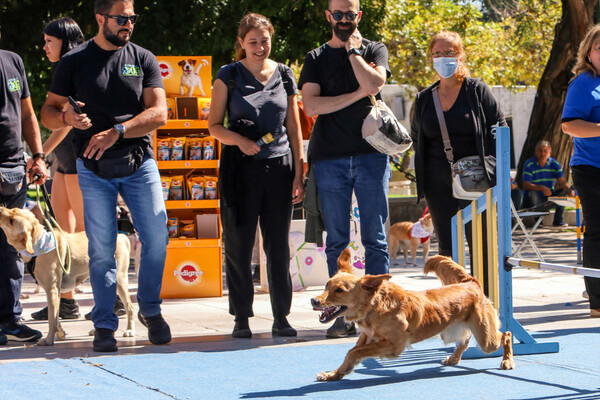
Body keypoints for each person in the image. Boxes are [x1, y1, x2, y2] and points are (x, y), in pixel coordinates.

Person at [41, 0, 171, 351]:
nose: (128, 24)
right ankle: (104, 324)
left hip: (138, 161)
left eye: (132, 18)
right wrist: (67, 118)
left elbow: (160, 112)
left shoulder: (142, 58)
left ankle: (151, 310)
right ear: (101, 19)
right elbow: (48, 112)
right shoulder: (74, 61)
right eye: (121, 18)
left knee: (157, 236)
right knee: (100, 249)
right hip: (93, 168)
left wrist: (118, 130)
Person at [208, 12, 305, 339]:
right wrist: (239, 141)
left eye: (265, 41)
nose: (260, 47)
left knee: (278, 246)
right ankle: (241, 318)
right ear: (241, 43)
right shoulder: (228, 75)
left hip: (279, 167)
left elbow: (293, 126)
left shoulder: (285, 74)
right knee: (239, 244)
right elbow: (214, 126)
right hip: (240, 169)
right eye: (253, 42)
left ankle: (282, 317)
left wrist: (298, 172)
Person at [298, 0, 391, 338]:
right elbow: (310, 106)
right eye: (337, 14)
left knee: (375, 239)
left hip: (372, 156)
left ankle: (380, 311)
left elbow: (375, 84)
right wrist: (357, 93)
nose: (343, 20)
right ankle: (341, 313)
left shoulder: (374, 49)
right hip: (330, 158)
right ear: (328, 16)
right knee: (336, 240)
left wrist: (354, 55)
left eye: (350, 15)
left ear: (358, 16)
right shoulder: (315, 58)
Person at [410, 31, 506, 293]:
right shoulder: (423, 99)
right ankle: (452, 308)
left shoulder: (477, 92)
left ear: (461, 56)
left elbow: (500, 130)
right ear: (431, 57)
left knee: (481, 248)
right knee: (447, 251)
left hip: (476, 183)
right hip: (437, 186)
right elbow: (417, 137)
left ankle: (486, 305)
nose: (443, 58)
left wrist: (496, 171)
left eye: (450, 53)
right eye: (438, 53)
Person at [29, 17, 85, 322]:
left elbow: (66, 122)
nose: (45, 46)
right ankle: (67, 302)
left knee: (88, 234)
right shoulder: (61, 70)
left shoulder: (75, 68)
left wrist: (39, 154)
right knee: (62, 233)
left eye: (49, 41)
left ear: (64, 41)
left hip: (77, 159)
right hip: (64, 164)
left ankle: (113, 299)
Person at [0, 28, 49, 344]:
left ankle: (9, 320)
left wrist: (38, 155)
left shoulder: (12, 61)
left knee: (11, 247)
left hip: (13, 167)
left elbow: (28, 113)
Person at [561, 23, 600, 318]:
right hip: (591, 168)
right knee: (598, 232)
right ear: (588, 53)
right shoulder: (584, 83)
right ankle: (597, 301)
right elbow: (569, 125)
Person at [521, 140, 574, 226]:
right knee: (532, 194)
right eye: (540, 151)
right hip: (533, 198)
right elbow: (526, 185)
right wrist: (541, 188)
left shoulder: (554, 164)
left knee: (563, 193)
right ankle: (539, 222)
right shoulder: (529, 164)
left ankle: (558, 221)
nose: (542, 153)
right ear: (535, 152)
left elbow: (562, 181)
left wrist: (569, 190)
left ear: (550, 152)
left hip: (549, 195)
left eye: (545, 151)